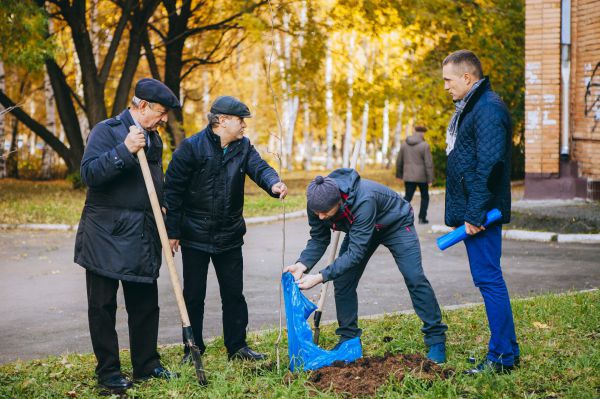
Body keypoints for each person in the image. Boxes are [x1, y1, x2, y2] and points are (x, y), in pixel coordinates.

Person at [164, 96, 288, 362]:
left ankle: (237, 346)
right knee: (193, 297)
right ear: (221, 121)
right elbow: (172, 190)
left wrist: (274, 183)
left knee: (233, 294)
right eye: (240, 120)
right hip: (195, 235)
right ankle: (192, 349)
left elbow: (260, 168)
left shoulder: (242, 148)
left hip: (230, 235)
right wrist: (172, 231)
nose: (244, 125)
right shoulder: (191, 148)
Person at [74, 78, 179, 391]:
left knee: (146, 304)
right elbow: (89, 174)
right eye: (161, 112)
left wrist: (168, 222)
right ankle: (109, 373)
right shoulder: (106, 131)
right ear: (142, 106)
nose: (165, 120)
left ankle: (147, 365)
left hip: (143, 234)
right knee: (103, 307)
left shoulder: (154, 138)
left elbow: (158, 184)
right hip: (105, 235)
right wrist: (124, 150)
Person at [284, 169, 448, 363]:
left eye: (325, 213)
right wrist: (303, 264)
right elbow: (319, 238)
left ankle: (436, 339)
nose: (320, 217)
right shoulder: (318, 202)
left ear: (339, 202)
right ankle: (349, 340)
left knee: (414, 277)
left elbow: (356, 253)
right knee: (344, 280)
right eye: (316, 212)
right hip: (360, 230)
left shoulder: (364, 199)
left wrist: (320, 276)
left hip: (394, 224)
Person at [442, 49, 519, 374]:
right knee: (487, 278)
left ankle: (502, 357)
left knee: (489, 279)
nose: (445, 86)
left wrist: (474, 215)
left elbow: (491, 164)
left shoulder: (487, 109)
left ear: (467, 77)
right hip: (477, 209)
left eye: (448, 80)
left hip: (482, 213)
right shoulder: (474, 108)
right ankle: (507, 351)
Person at [396, 125, 434, 224]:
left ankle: (399, 217)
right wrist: (430, 179)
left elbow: (399, 160)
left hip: (408, 176)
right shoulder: (425, 145)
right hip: (422, 177)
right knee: (425, 197)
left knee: (407, 197)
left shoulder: (404, 144)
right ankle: (422, 218)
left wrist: (399, 175)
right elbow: (428, 163)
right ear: (422, 133)